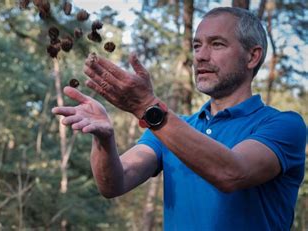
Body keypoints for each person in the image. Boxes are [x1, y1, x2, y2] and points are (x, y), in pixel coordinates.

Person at [51, 7, 306, 230]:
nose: (200, 56)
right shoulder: (169, 129)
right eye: (197, 45)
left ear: (252, 56)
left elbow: (231, 172)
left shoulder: (283, 125)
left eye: (217, 44)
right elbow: (114, 184)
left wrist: (147, 107)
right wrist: (104, 140)